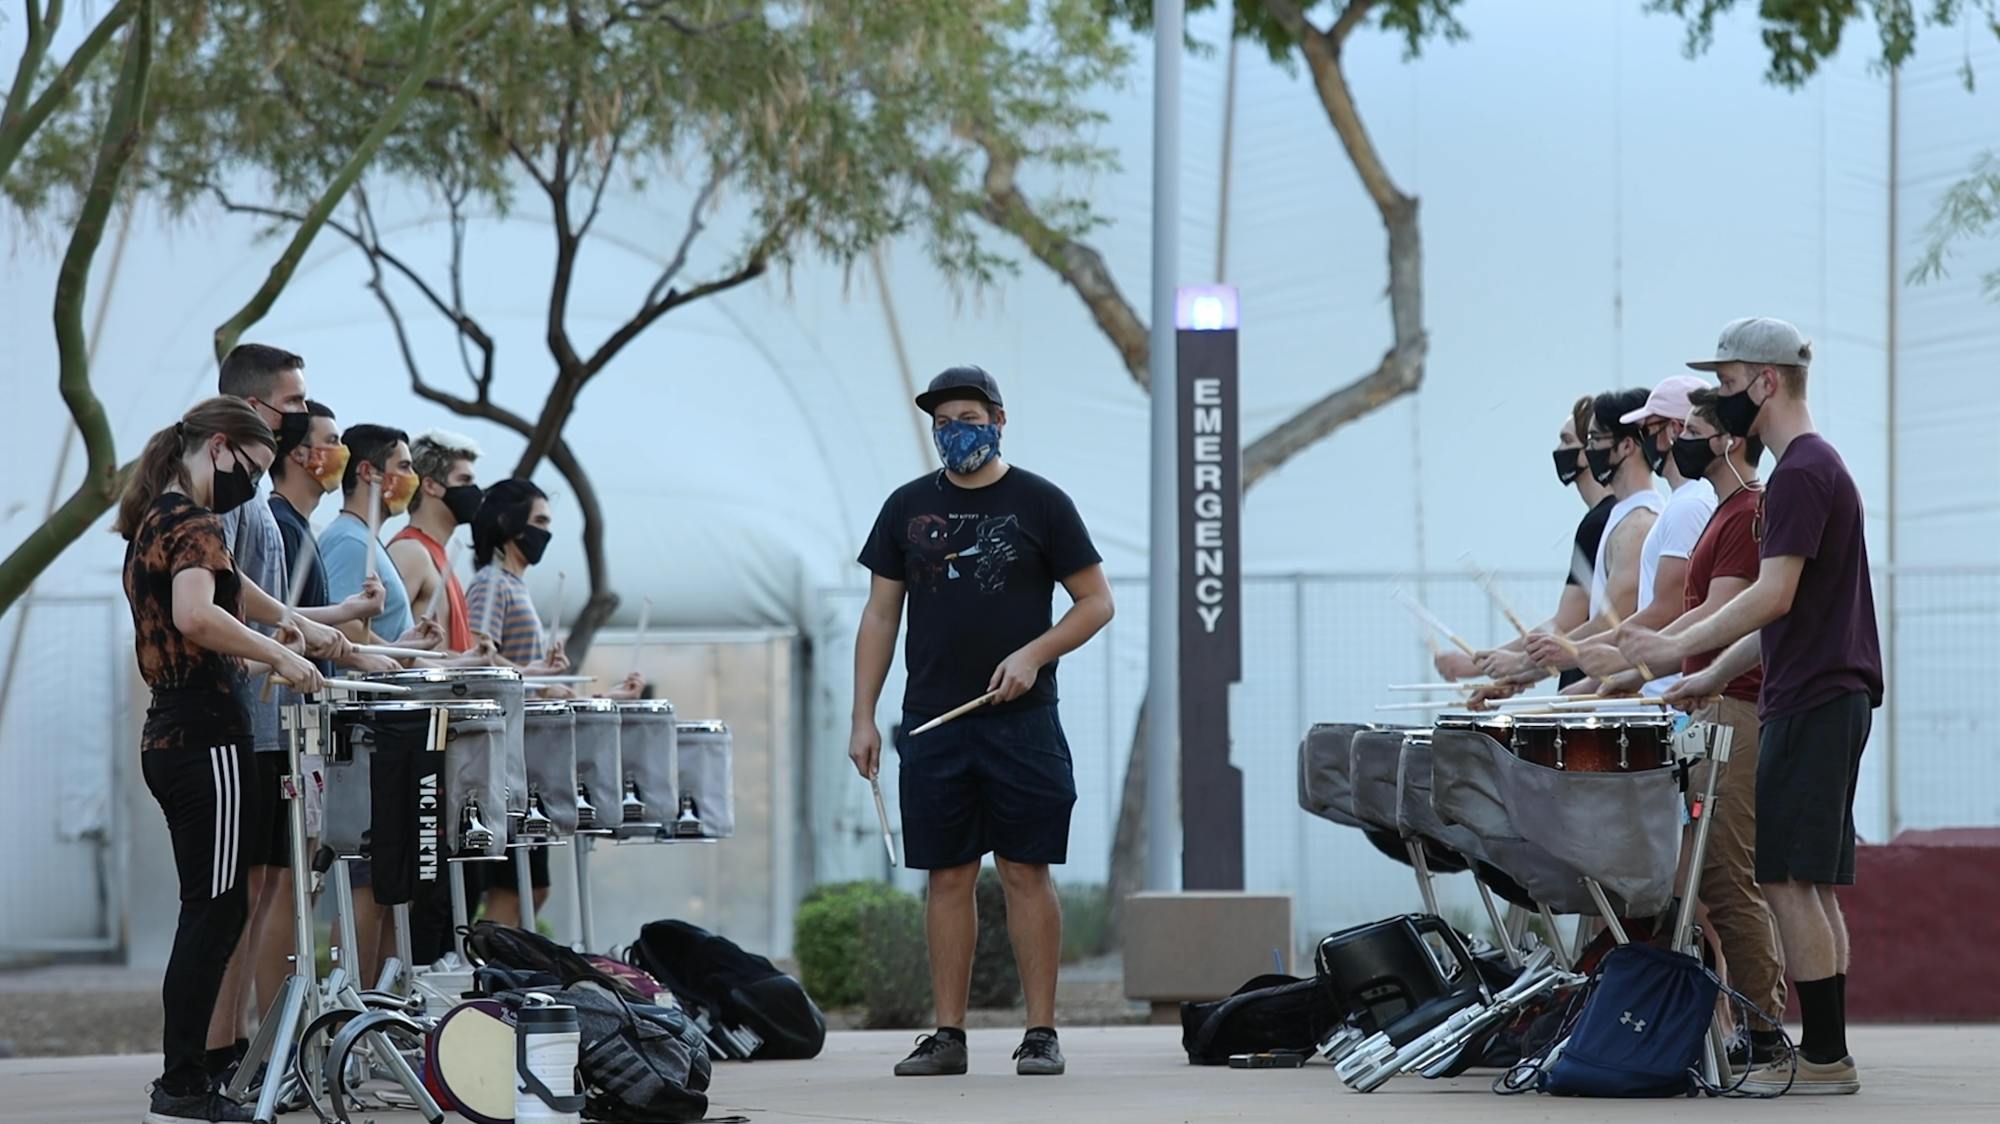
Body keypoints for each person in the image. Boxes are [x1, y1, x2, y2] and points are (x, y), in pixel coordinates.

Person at [1620, 317, 1881, 1094]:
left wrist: (1674, 648)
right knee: (1804, 882)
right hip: (1824, 693)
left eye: (1729, 385)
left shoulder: (1801, 472)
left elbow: (1773, 595)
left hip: (1816, 699)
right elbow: (1782, 622)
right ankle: (1828, 1055)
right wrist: (1706, 673)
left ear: (1766, 382)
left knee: (1785, 882)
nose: (1721, 400)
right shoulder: (1811, 468)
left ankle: (1826, 1060)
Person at [850, 365, 1114, 1078]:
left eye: (967, 416)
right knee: (947, 875)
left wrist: (1034, 653)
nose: (954, 430)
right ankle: (948, 1035)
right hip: (932, 721)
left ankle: (1040, 1032)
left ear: (999, 419)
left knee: (1026, 870)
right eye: (942, 421)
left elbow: (1095, 602)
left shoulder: (1042, 502)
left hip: (1023, 721)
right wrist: (864, 717)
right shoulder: (905, 506)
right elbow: (880, 613)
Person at [117, 398, 326, 1124]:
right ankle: (183, 1084)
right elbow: (197, 614)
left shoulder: (160, 519)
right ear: (217, 446)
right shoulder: (195, 522)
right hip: (206, 739)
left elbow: (234, 594)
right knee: (215, 910)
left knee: (212, 909)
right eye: (254, 466)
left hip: (174, 737)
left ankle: (194, 1073)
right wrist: (281, 657)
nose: (253, 484)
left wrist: (302, 628)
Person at [207, 345, 369, 1082]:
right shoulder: (236, 502)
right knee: (243, 899)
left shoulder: (261, 511)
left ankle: (259, 1047)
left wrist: (335, 629)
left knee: (274, 889)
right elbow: (218, 605)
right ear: (255, 407)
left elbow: (269, 607)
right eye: (294, 404)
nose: (303, 415)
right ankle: (225, 1052)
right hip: (246, 725)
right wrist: (272, 651)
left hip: (279, 724)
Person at [247, 400, 398, 1040]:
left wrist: (355, 637)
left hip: (301, 726)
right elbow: (276, 624)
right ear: (297, 453)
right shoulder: (281, 524)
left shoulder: (300, 525)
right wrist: (350, 628)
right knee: (278, 887)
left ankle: (289, 1032)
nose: (333, 452)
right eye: (327, 441)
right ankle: (273, 1037)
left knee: (294, 882)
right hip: (273, 728)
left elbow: (299, 624)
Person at [1659, 386, 1787, 1071]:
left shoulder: (1748, 511)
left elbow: (1727, 613)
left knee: (1724, 876)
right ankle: (1756, 1022)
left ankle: (1764, 1028)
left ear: (1726, 441)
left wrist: (1633, 653)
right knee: (1718, 877)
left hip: (1733, 707)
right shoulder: (1724, 511)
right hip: (1711, 707)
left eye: (1691, 427)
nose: (1677, 438)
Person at [1566, 376, 1718, 695]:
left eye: (1648, 430)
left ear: (1675, 430)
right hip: (1661, 688)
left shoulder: (1685, 506)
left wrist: (1572, 654)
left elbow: (1667, 610)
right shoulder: (1678, 504)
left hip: (1671, 696)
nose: (1644, 440)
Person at [1449, 397, 1611, 689]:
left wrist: (1487, 664)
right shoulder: (1607, 518)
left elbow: (1566, 624)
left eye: (1566, 440)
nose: (1559, 450)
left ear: (1589, 450)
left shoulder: (1599, 523)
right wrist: (1515, 672)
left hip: (1592, 690)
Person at [1520, 387, 1662, 677]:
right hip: (1605, 690)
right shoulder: (1622, 516)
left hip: (1623, 706)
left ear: (1626, 446)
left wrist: (1521, 664)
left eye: (1595, 439)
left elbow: (1611, 623)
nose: (1589, 449)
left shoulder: (1638, 523)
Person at [389, 429, 485, 654]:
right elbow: (385, 646)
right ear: (431, 486)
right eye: (464, 480)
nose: (474, 491)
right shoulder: (410, 552)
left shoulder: (437, 556)